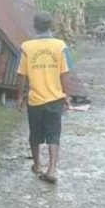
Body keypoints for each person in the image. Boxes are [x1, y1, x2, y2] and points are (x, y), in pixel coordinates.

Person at [17, 12, 73, 184]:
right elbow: (65, 73)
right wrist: (67, 95)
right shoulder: (60, 45)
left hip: (35, 99)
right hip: (55, 98)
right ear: (51, 26)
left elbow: (22, 75)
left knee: (35, 133)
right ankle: (52, 169)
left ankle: (37, 165)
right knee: (54, 134)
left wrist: (20, 96)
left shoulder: (26, 47)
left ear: (34, 26)